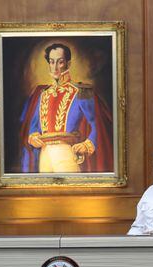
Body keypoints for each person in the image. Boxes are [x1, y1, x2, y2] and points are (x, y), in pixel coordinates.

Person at [20, 43, 113, 173]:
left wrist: (86, 144)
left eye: (60, 62)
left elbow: (97, 123)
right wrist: (33, 136)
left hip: (66, 153)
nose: (55, 67)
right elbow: (34, 127)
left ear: (68, 64)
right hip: (44, 154)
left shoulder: (80, 92)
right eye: (52, 62)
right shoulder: (42, 94)